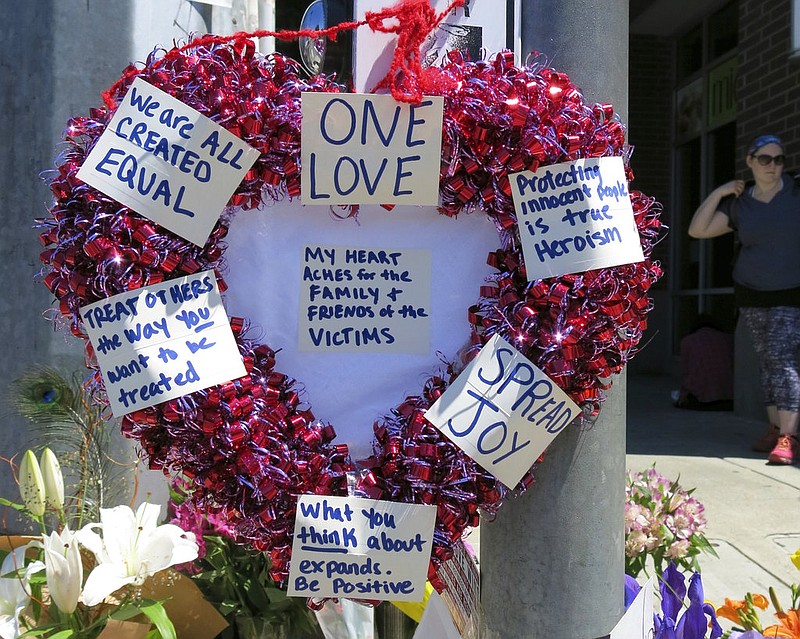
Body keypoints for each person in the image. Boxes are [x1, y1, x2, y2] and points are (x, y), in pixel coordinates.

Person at [688, 134, 800, 464]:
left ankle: (788, 437)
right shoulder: (740, 204)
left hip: (790, 292)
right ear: (750, 162)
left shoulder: (795, 193)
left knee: (783, 361)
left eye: (778, 160)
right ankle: (774, 426)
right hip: (752, 293)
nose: (773, 166)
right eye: (765, 159)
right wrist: (720, 192)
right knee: (766, 363)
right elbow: (698, 229)